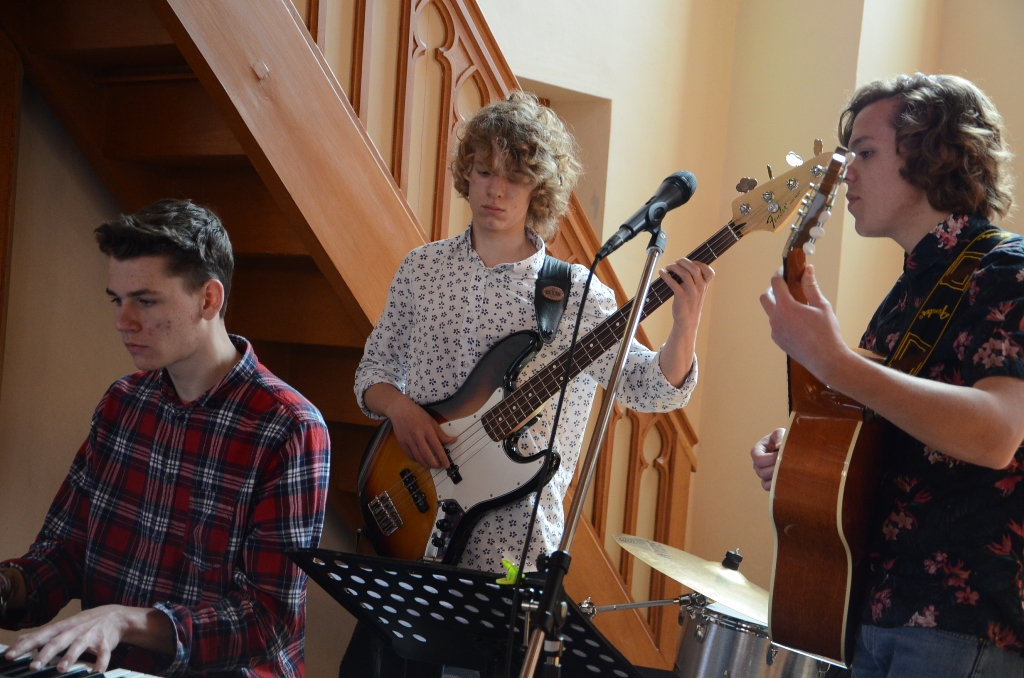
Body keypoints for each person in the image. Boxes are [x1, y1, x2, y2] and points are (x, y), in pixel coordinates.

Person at [341, 91, 713, 676]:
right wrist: (400, 409)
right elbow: (372, 374)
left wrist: (685, 325)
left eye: (514, 178)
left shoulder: (578, 294)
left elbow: (648, 388)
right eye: (485, 171)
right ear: (466, 173)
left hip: (512, 548)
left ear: (538, 189)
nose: (496, 190)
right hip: (414, 527)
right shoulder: (422, 269)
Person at [752, 74, 1024, 677]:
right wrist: (812, 455)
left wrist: (836, 362)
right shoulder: (907, 292)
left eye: (866, 153)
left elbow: (997, 435)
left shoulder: (1007, 267)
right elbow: (895, 425)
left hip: (960, 620)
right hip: (870, 607)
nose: (845, 172)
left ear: (937, 154)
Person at [0, 200, 331, 676]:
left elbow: (266, 619)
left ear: (209, 299)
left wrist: (125, 621)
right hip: (109, 670)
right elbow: (64, 554)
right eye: (117, 300)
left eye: (146, 301)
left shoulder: (289, 426)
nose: (123, 321)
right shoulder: (122, 403)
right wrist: (8, 587)